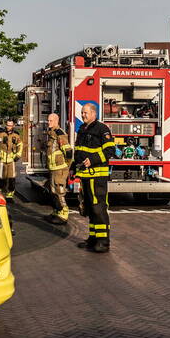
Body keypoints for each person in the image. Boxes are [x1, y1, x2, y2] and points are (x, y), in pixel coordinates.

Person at [72, 103, 114, 253]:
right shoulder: (82, 129)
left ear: (94, 114)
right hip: (85, 176)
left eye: (86, 113)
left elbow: (110, 150)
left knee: (98, 208)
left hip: (97, 177)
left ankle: (103, 241)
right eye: (82, 113)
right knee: (90, 208)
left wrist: (93, 160)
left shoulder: (102, 129)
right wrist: (73, 168)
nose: (83, 115)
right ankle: (93, 238)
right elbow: (79, 151)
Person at [42, 113, 73, 225]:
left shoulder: (60, 134)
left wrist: (66, 166)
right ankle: (57, 212)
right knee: (53, 192)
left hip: (60, 169)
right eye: (48, 120)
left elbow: (68, 152)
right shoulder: (51, 133)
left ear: (56, 121)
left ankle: (64, 214)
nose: (48, 122)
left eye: (51, 120)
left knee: (59, 192)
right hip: (53, 168)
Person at [0, 119, 23, 201]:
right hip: (1, 160)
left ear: (13, 126)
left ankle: (9, 196)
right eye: (8, 125)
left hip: (11, 161)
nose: (9, 127)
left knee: (12, 179)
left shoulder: (16, 135)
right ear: (5, 125)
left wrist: (18, 155)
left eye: (10, 125)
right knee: (0, 178)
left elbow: (20, 145)